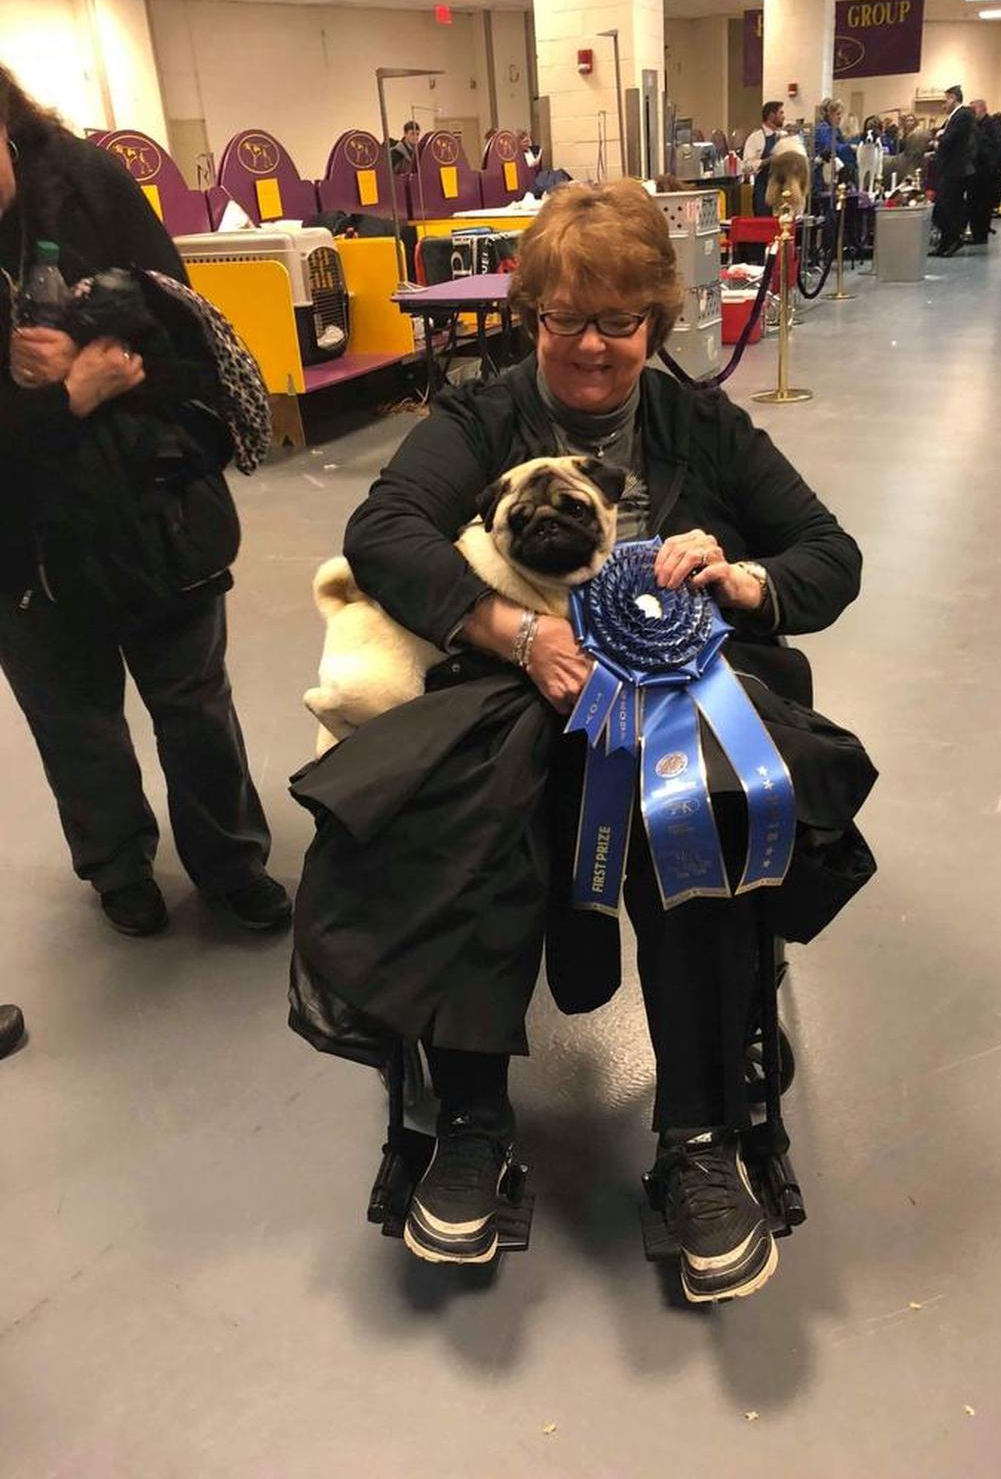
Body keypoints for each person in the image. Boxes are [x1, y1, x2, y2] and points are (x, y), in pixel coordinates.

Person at [294, 180, 873, 1304]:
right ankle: (469, 1118)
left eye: (618, 320)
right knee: (456, 805)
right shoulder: (480, 415)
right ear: (531, 318)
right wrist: (510, 630)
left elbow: (829, 552)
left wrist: (748, 578)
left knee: (701, 804)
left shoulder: (704, 425)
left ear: (657, 321)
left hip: (678, 696)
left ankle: (699, 1134)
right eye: (565, 319)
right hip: (517, 689)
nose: (593, 347)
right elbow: (383, 528)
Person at [0, 66, 290, 937]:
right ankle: (118, 868)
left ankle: (231, 861)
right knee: (74, 722)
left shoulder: (91, 185)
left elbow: (191, 344)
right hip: (24, 543)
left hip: (151, 508)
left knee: (194, 704)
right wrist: (65, 399)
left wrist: (107, 364)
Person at [931, 85, 975, 257]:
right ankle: (945, 242)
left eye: (945, 100)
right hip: (948, 168)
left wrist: (939, 139)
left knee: (945, 207)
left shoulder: (962, 115)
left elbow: (950, 139)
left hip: (955, 169)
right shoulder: (952, 117)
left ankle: (954, 239)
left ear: (953, 98)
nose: (944, 104)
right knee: (945, 207)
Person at [966, 98, 1001, 245]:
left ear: (982, 109)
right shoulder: (974, 126)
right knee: (973, 204)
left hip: (987, 174)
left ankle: (981, 235)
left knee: (983, 206)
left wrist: (993, 166)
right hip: (974, 173)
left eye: (973, 110)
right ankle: (976, 233)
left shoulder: (994, 126)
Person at [742, 100, 786, 214]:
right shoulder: (756, 138)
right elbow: (747, 166)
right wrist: (770, 160)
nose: (784, 117)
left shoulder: (784, 137)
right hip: (764, 189)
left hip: (782, 188)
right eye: (781, 113)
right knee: (765, 225)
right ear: (771, 116)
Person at [813, 97, 856, 193]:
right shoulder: (822, 129)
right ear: (829, 114)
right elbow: (832, 147)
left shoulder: (836, 130)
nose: (840, 117)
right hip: (823, 177)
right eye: (838, 114)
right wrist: (850, 148)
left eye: (841, 114)